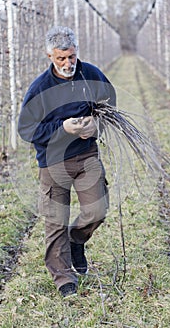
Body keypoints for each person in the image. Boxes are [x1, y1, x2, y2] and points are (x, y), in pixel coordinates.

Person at [18, 26, 116, 297]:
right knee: (55, 221)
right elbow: (27, 129)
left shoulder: (91, 74)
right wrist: (63, 129)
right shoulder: (40, 88)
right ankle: (64, 278)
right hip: (52, 163)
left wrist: (96, 125)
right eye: (61, 58)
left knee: (97, 209)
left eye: (71, 57)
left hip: (86, 156)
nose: (67, 63)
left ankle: (77, 241)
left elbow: (110, 103)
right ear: (49, 55)